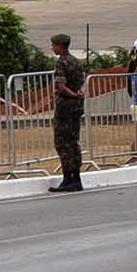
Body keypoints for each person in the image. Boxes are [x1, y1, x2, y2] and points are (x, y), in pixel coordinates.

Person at [48, 32, 87, 192]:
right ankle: (76, 179)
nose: (52, 48)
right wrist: (80, 94)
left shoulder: (62, 62)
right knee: (73, 142)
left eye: (54, 45)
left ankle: (68, 179)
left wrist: (73, 94)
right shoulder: (75, 61)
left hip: (65, 108)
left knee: (63, 144)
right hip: (77, 107)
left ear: (60, 46)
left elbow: (61, 87)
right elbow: (83, 82)